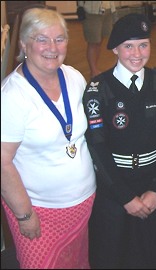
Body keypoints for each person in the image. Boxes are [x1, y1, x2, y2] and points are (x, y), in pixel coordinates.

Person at [1, 8, 96, 269]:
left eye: (60, 39)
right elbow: (2, 162)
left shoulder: (74, 77)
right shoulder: (12, 95)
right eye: (42, 39)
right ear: (24, 43)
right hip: (39, 211)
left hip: (81, 203)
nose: (52, 47)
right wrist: (24, 214)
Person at [83, 13, 156, 268]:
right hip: (114, 189)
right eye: (128, 46)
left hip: (153, 188)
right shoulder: (98, 89)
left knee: (155, 257)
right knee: (113, 257)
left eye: (143, 44)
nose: (137, 53)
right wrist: (124, 196)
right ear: (115, 48)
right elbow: (97, 146)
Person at [77, 1, 116, 78]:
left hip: (108, 9)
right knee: (93, 42)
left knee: (99, 41)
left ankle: (95, 68)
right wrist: (80, 6)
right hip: (92, 11)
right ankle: (93, 71)